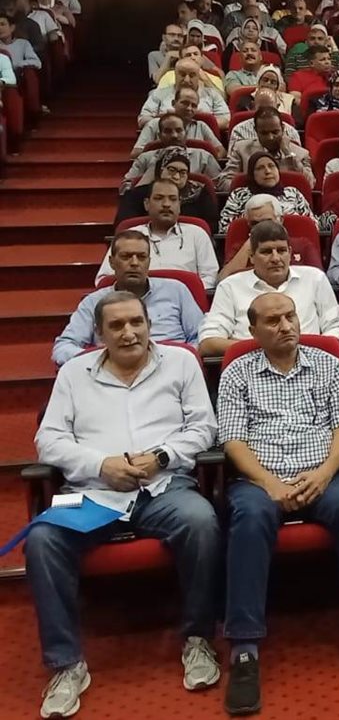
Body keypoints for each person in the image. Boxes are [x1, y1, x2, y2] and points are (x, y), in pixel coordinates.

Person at [30, 292, 221, 719]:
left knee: (201, 522)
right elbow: (49, 440)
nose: (129, 332)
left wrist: (162, 457)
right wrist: (101, 465)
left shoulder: (181, 362)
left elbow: (203, 427)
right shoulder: (74, 373)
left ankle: (198, 639)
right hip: (93, 492)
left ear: (149, 324)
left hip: (163, 486)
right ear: (99, 334)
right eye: (116, 326)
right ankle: (66, 664)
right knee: (43, 539)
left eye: (136, 322)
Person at [217, 293, 339, 714]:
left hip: (322, 474)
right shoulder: (237, 372)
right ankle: (244, 648)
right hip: (260, 480)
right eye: (273, 321)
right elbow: (233, 440)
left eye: (290, 316)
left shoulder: (328, 364)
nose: (286, 326)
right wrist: (269, 484)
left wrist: (323, 475)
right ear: (253, 331)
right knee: (249, 519)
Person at [53, 231, 203, 366]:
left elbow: (201, 337)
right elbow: (63, 347)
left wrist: (178, 360)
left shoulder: (176, 290)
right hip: (112, 374)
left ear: (149, 262)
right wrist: (104, 361)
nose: (134, 263)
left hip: (171, 369)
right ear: (112, 262)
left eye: (141, 257)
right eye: (126, 257)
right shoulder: (93, 302)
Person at [200, 221, 339, 356]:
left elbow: (334, 328)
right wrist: (270, 348)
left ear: (290, 252)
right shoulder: (230, 286)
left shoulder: (315, 278)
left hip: (313, 362)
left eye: (281, 251)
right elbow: (208, 342)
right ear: (251, 256)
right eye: (266, 252)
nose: (275, 258)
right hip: (249, 365)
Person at [97, 179, 219, 288]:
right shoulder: (128, 236)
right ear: (147, 204)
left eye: (173, 199)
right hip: (135, 300)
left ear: (179, 205)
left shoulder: (197, 234)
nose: (166, 204)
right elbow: (104, 279)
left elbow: (210, 277)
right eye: (159, 198)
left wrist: (182, 294)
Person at [217, 194, 322, 281]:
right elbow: (224, 281)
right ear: (249, 225)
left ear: (280, 220)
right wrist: (252, 242)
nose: (261, 227)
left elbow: (319, 279)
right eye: (255, 224)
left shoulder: (303, 245)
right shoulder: (240, 248)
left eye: (267, 221)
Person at [219, 107, 314, 194]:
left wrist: (289, 154)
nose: (270, 137)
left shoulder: (300, 153)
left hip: (289, 202)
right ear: (256, 131)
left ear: (283, 128)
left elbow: (309, 185)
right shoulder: (241, 149)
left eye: (275, 132)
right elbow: (224, 182)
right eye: (264, 133)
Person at [218, 151, 314, 235]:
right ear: (252, 173)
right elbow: (225, 228)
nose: (267, 171)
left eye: (271, 166)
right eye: (260, 168)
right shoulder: (239, 195)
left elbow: (313, 225)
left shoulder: (293, 193)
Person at [122, 111, 222, 189]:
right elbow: (125, 188)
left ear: (186, 133)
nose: (174, 135)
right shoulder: (144, 158)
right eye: (168, 131)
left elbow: (219, 187)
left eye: (179, 130)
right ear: (159, 136)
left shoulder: (204, 157)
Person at [138, 69, 230, 129]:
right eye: (182, 74)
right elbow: (143, 119)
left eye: (192, 75)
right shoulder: (159, 93)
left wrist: (199, 121)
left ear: (198, 77)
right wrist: (167, 120)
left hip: (202, 138)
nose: (186, 79)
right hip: (164, 138)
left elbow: (226, 121)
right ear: (175, 75)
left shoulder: (213, 94)